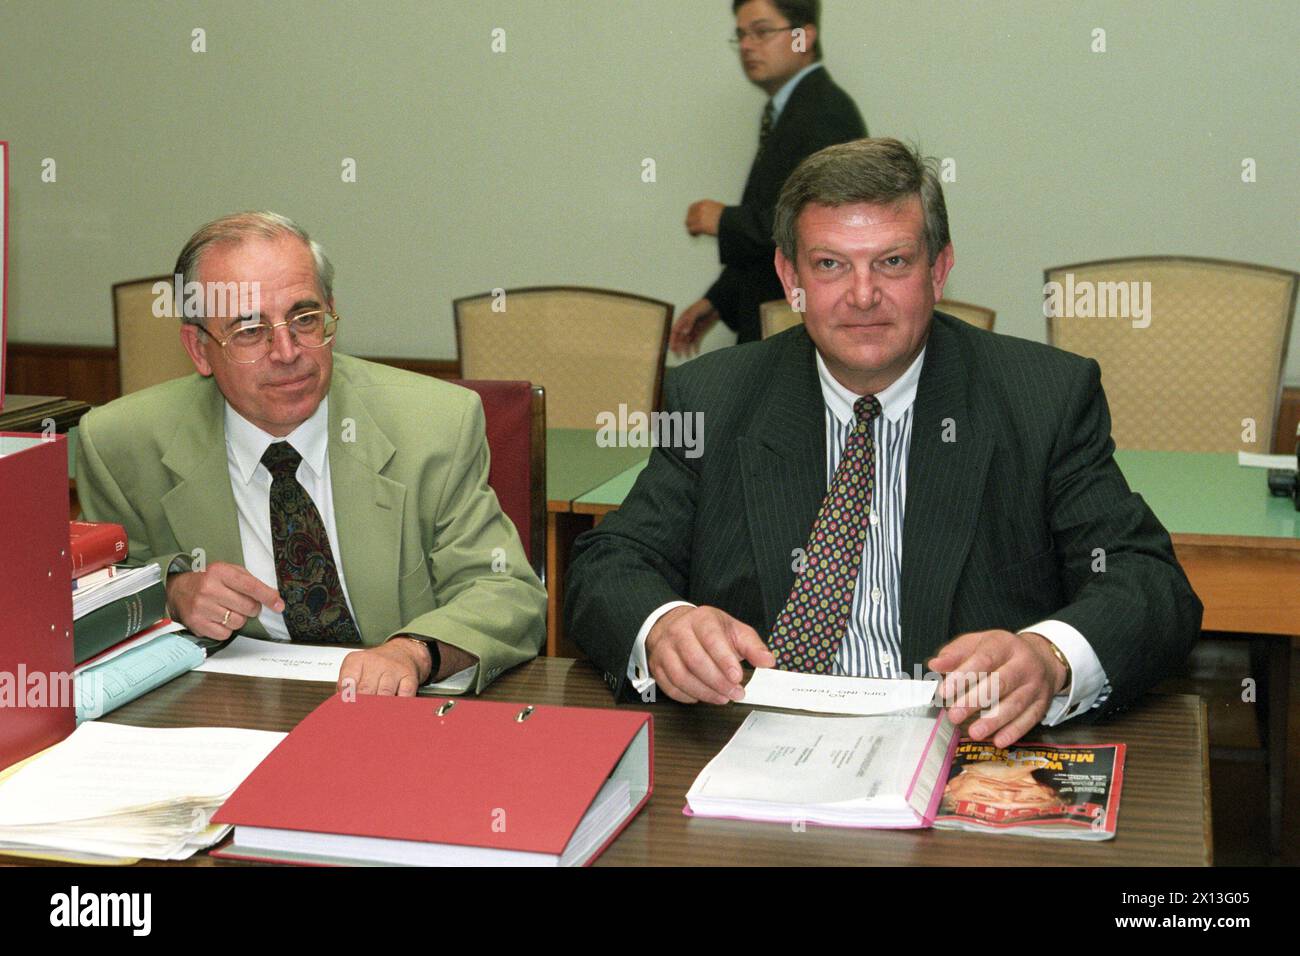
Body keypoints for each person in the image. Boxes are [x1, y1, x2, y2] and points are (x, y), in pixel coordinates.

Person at [567, 139, 1201, 747]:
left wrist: (1049, 655)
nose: (863, 294)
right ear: (790, 277)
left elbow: (1147, 582)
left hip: (957, 747)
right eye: (830, 264)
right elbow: (610, 563)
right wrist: (663, 627)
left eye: (892, 262)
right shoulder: (715, 395)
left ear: (939, 269)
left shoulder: (1043, 398)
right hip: (755, 744)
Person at [77, 212, 546, 697]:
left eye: (305, 319)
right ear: (198, 349)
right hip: (226, 714)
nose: (287, 351)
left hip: (401, 712)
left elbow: (505, 592)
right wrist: (174, 593)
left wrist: (413, 651)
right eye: (250, 331)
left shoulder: (435, 425)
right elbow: (95, 599)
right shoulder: (121, 445)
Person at [671, 0, 866, 354]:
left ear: (803, 37)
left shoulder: (823, 113)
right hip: (779, 327)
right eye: (741, 35)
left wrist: (723, 219)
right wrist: (717, 301)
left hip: (801, 335)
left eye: (761, 32)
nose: (746, 46)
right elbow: (773, 222)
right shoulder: (794, 109)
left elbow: (813, 227)